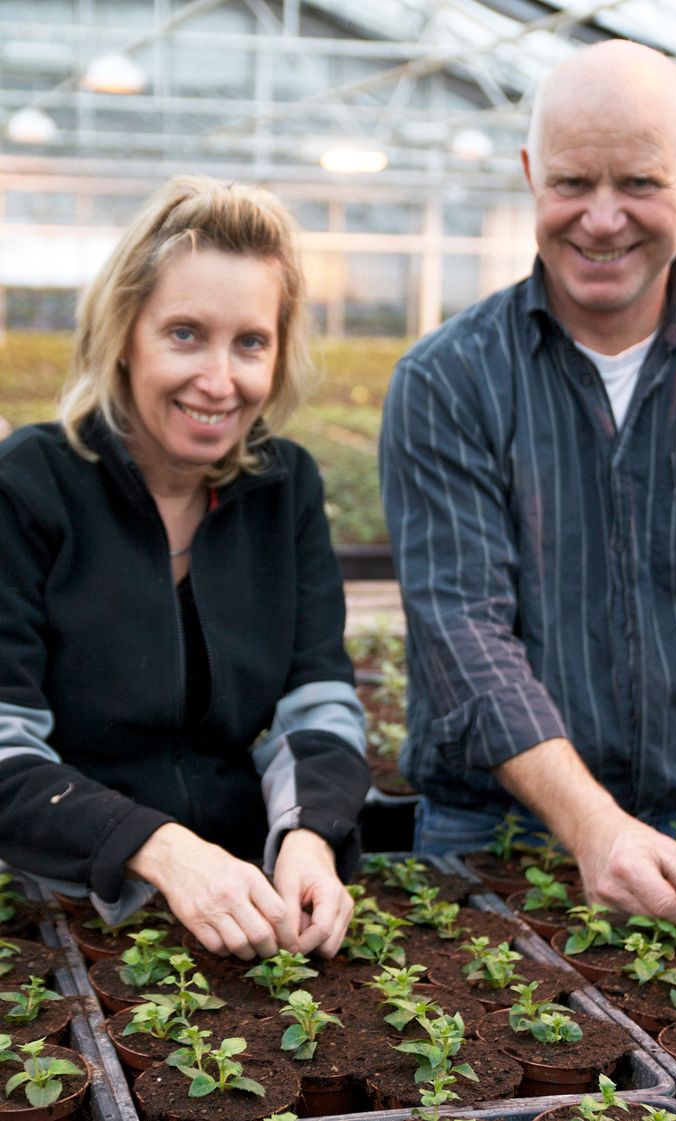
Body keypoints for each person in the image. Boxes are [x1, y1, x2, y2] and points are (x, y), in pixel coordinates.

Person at [380, 39, 676, 933]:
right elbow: (461, 626)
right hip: (494, 831)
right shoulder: (447, 380)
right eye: (574, 182)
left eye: (640, 184)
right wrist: (591, 824)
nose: (603, 218)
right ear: (530, 174)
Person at [0, 175, 369, 960]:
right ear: (124, 334)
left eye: (250, 343)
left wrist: (309, 836)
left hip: (238, 905)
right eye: (184, 334)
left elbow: (319, 700)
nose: (219, 380)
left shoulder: (283, 487)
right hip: (55, 903)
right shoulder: (30, 485)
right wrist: (163, 850)